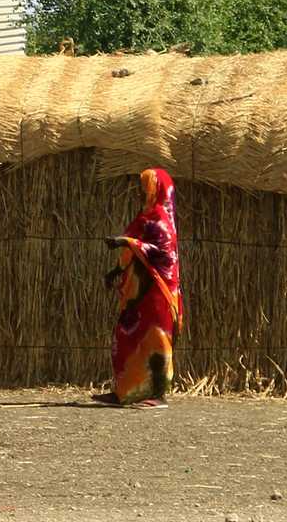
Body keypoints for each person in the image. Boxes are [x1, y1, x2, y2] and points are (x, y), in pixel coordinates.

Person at [94, 168, 182, 409]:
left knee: (156, 341)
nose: (141, 191)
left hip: (157, 293)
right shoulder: (145, 216)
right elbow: (136, 250)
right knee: (126, 338)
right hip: (138, 293)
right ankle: (125, 392)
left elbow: (163, 254)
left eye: (146, 186)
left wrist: (125, 242)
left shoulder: (162, 219)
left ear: (158, 189)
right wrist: (117, 270)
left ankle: (157, 394)